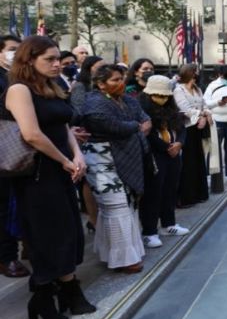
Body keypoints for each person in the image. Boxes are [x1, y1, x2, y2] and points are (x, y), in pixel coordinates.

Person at [4, 36, 95, 319]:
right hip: (37, 173)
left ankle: (61, 291)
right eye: (50, 59)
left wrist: (77, 155)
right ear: (29, 60)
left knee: (69, 231)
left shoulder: (52, 86)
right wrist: (66, 160)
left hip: (63, 169)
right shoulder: (19, 89)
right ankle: (51, 294)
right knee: (47, 235)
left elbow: (64, 125)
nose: (57, 64)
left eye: (58, 58)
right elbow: (31, 134)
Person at [82, 64, 150, 273]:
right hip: (101, 160)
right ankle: (123, 259)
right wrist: (136, 126)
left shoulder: (127, 99)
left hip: (126, 157)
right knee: (115, 206)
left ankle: (114, 252)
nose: (120, 83)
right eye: (114, 80)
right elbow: (114, 125)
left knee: (126, 205)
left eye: (121, 79)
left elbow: (145, 118)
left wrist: (138, 124)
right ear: (100, 84)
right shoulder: (93, 103)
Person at [139, 75, 189, 248]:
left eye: (165, 96)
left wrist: (179, 143)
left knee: (170, 189)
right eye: (158, 95)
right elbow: (149, 135)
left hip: (174, 154)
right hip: (155, 155)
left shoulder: (172, 108)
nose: (162, 99)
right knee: (153, 193)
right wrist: (167, 147)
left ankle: (169, 224)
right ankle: (149, 231)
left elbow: (182, 128)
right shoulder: (142, 109)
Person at [0, 34, 30, 279]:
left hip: (22, 150)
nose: (15, 53)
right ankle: (7, 257)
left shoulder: (19, 78)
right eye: (11, 49)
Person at [69, 55, 105, 233]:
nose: (102, 69)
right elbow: (78, 111)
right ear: (89, 68)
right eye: (99, 67)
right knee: (89, 181)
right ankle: (93, 219)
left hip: (102, 137)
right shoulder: (80, 87)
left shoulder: (101, 85)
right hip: (85, 136)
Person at [173, 64, 211, 207]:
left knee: (198, 160)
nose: (197, 74)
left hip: (197, 130)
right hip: (186, 128)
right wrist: (201, 116)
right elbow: (184, 109)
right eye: (195, 71)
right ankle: (187, 197)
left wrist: (205, 114)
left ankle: (200, 193)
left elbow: (205, 105)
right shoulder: (179, 90)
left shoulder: (197, 89)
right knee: (188, 163)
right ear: (190, 73)